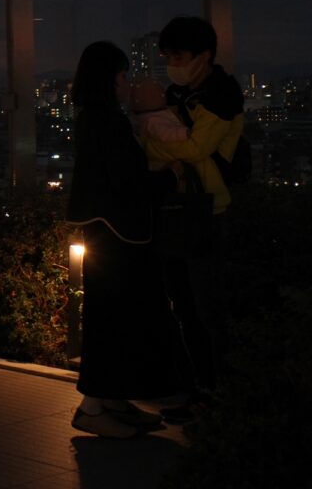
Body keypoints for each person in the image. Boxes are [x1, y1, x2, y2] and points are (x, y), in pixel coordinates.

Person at [65, 41, 178, 438]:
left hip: (104, 232)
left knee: (112, 317)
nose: (128, 83)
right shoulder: (109, 123)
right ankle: (92, 407)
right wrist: (170, 176)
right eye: (124, 75)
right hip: (120, 235)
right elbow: (129, 183)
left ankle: (112, 399)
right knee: (115, 320)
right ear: (110, 79)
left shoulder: (91, 119)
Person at [140, 16, 244, 401]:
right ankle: (200, 389)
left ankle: (223, 394)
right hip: (178, 207)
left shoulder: (222, 96)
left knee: (208, 308)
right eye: (168, 57)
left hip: (208, 209)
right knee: (183, 306)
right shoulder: (177, 94)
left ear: (204, 56)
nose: (173, 64)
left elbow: (197, 148)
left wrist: (153, 142)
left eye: (179, 57)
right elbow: (181, 145)